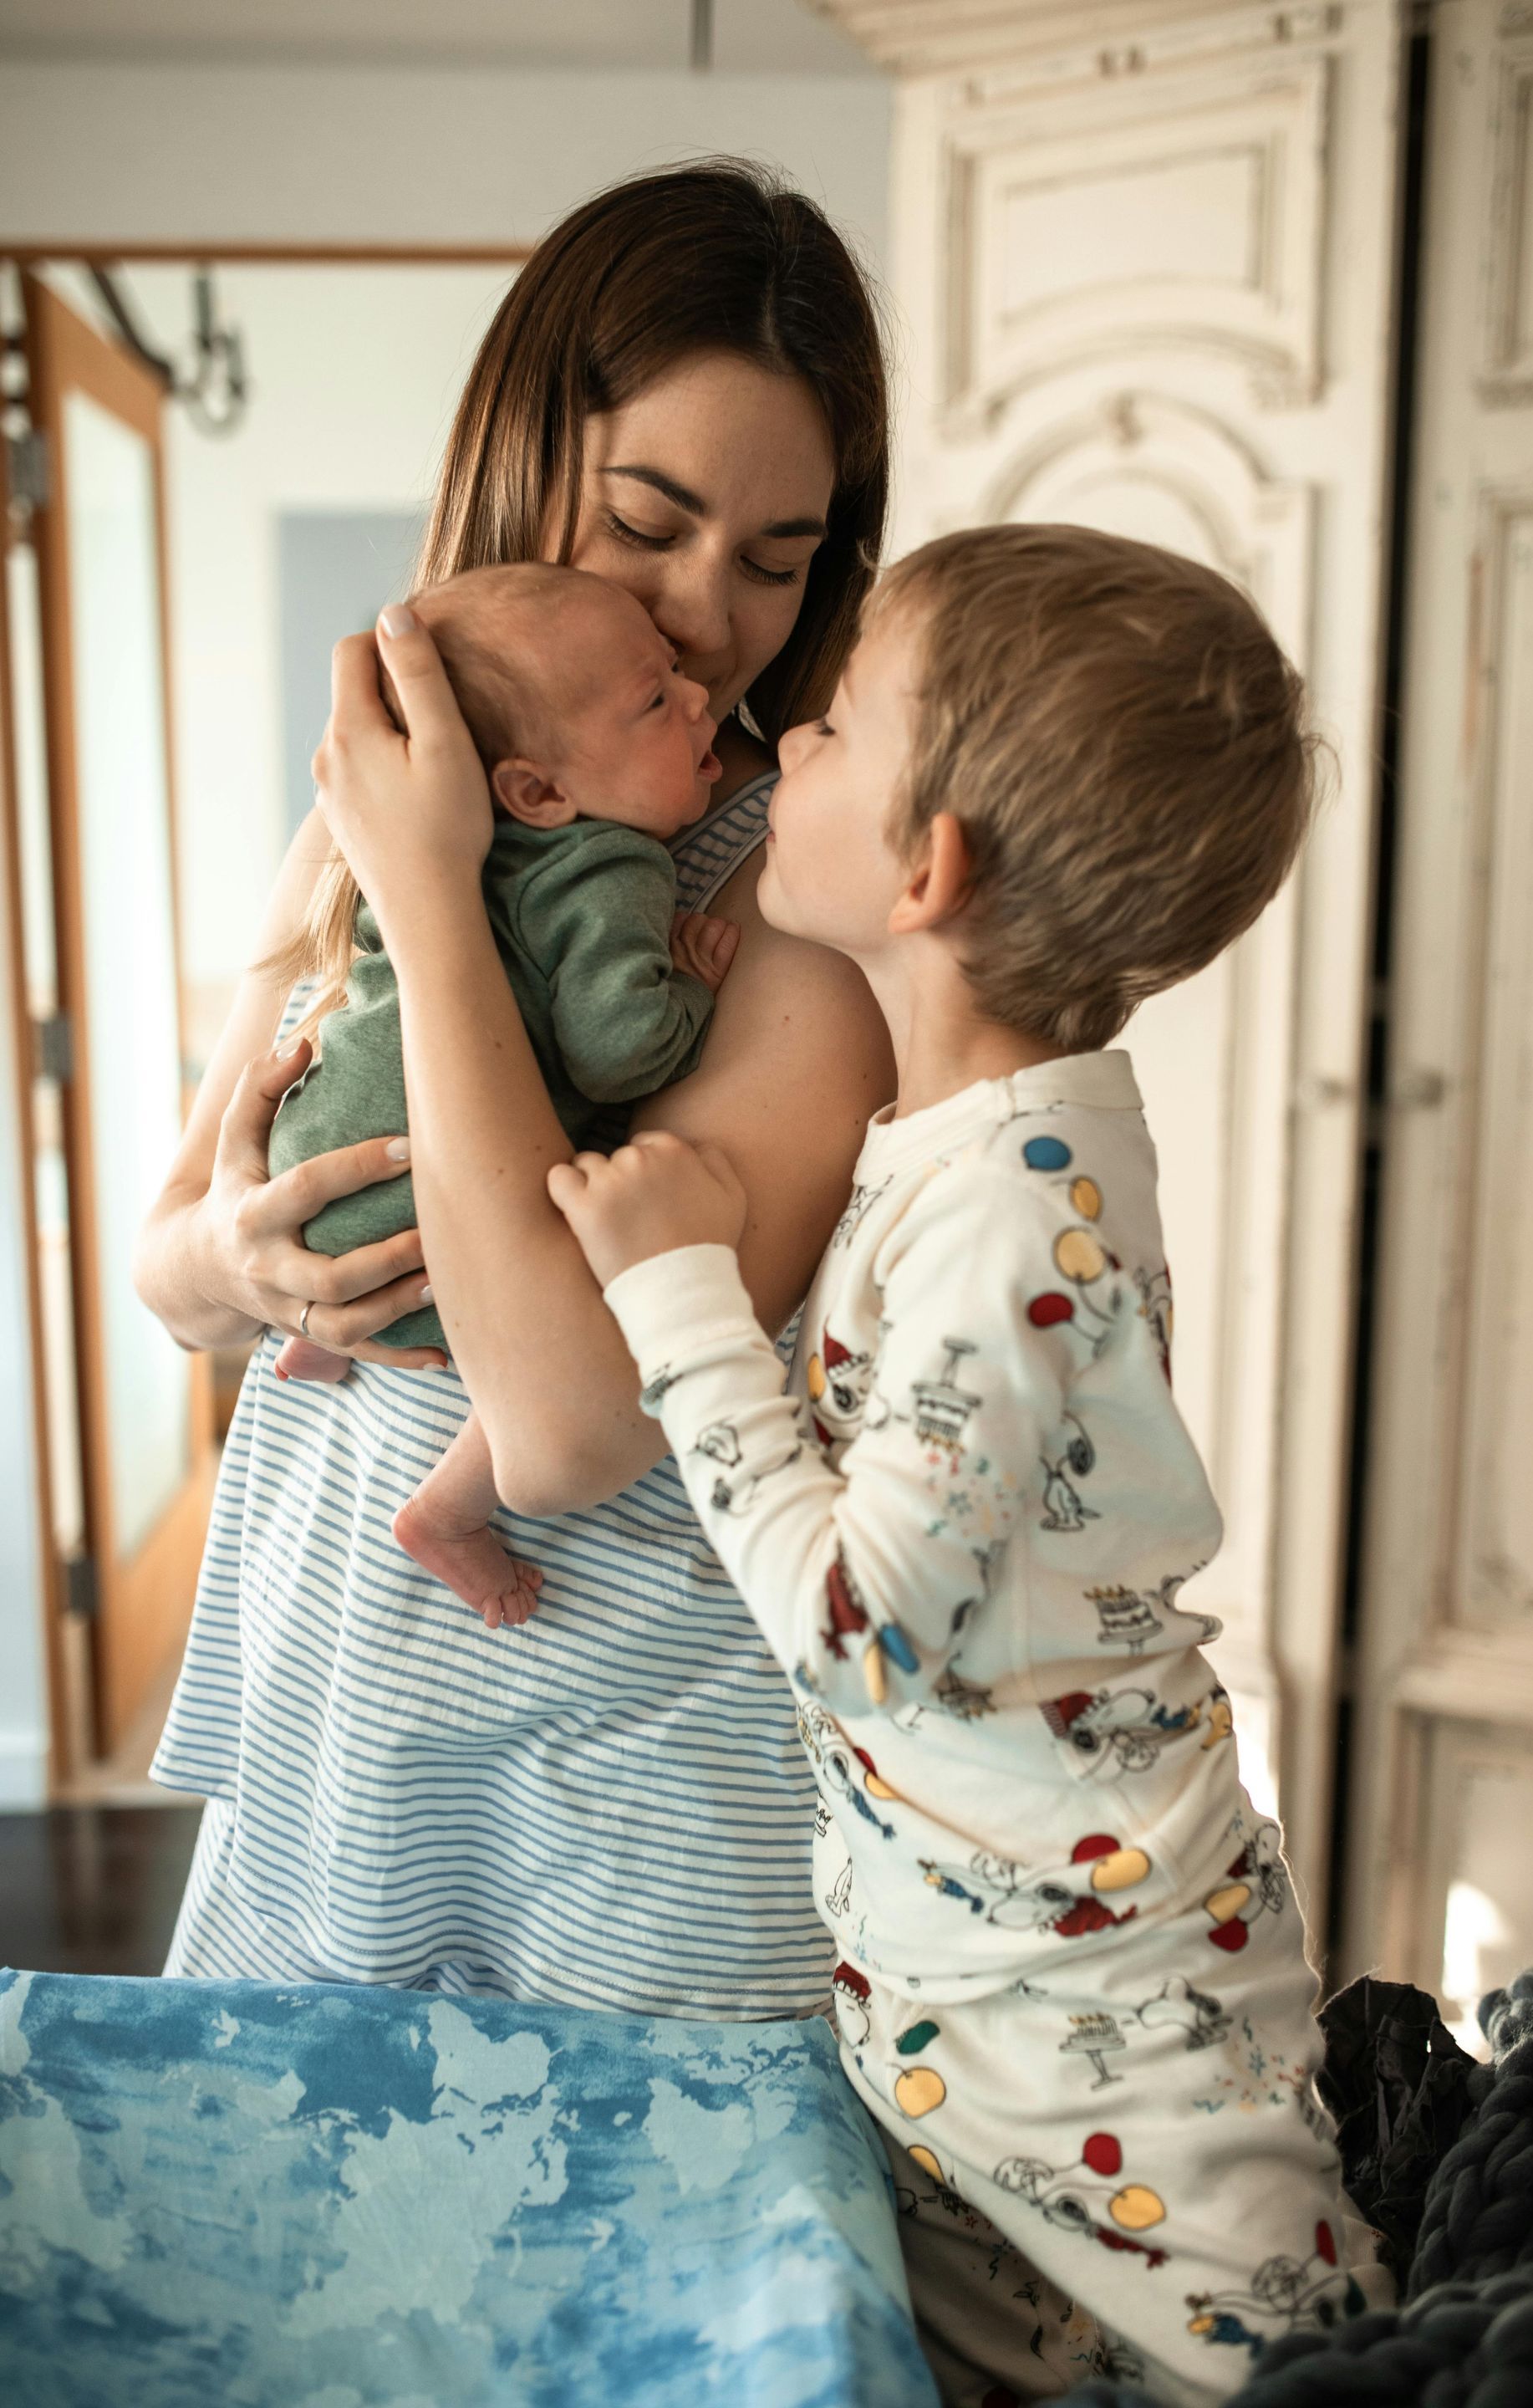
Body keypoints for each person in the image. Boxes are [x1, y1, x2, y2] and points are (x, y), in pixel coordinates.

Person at [522, 523, 1391, 2405]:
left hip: (1103, 2032)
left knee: (1287, 2375)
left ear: (930, 870)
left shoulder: (1015, 1206)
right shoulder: (956, 1138)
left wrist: (676, 1299)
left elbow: (855, 1630)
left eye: (828, 728)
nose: (783, 747)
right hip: (980, 1996)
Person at [137, 161, 894, 2017]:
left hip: (617, 1818)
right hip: (335, 1743)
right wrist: (251, 1260)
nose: (712, 619)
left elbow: (568, 1412)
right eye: (651, 523)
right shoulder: (377, 810)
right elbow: (161, 1273)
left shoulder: (792, 911)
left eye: (778, 561)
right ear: (524, 456)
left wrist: (427, 894)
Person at [265, 563, 740, 1627]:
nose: (700, 691)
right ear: (537, 792)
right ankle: (446, 1511)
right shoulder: (611, 867)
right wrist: (694, 993)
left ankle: (319, 1332)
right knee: (584, 1283)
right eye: (657, 699)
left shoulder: (399, 831)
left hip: (313, 1155)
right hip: (419, 1207)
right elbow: (619, 1053)